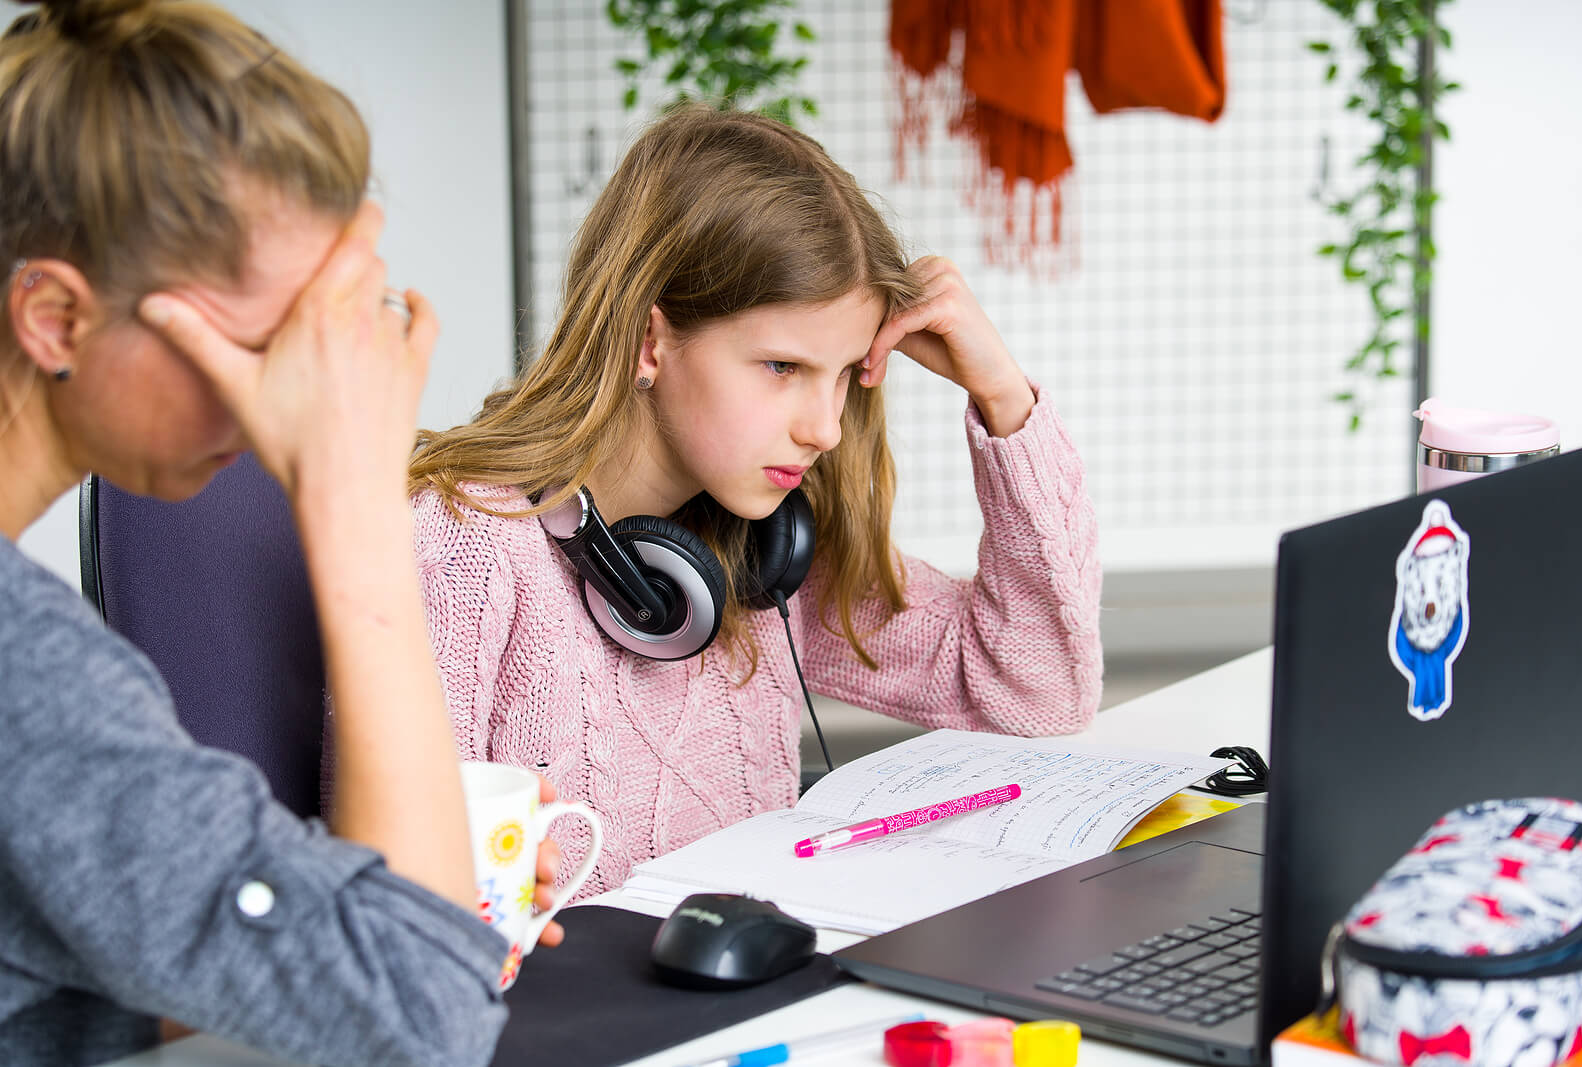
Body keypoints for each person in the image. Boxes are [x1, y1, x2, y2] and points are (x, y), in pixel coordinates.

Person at [0, 2, 558, 1064]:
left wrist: (336, 914)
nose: (292, 405)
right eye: (266, 343)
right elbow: (422, 1019)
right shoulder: (30, 671)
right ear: (58, 320)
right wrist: (351, 506)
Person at [407, 106, 1104, 897]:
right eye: (782, 367)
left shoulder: (761, 557)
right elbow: (406, 898)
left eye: (844, 373)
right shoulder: (468, 546)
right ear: (649, 340)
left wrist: (1004, 396)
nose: (826, 428)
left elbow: (1038, 691)